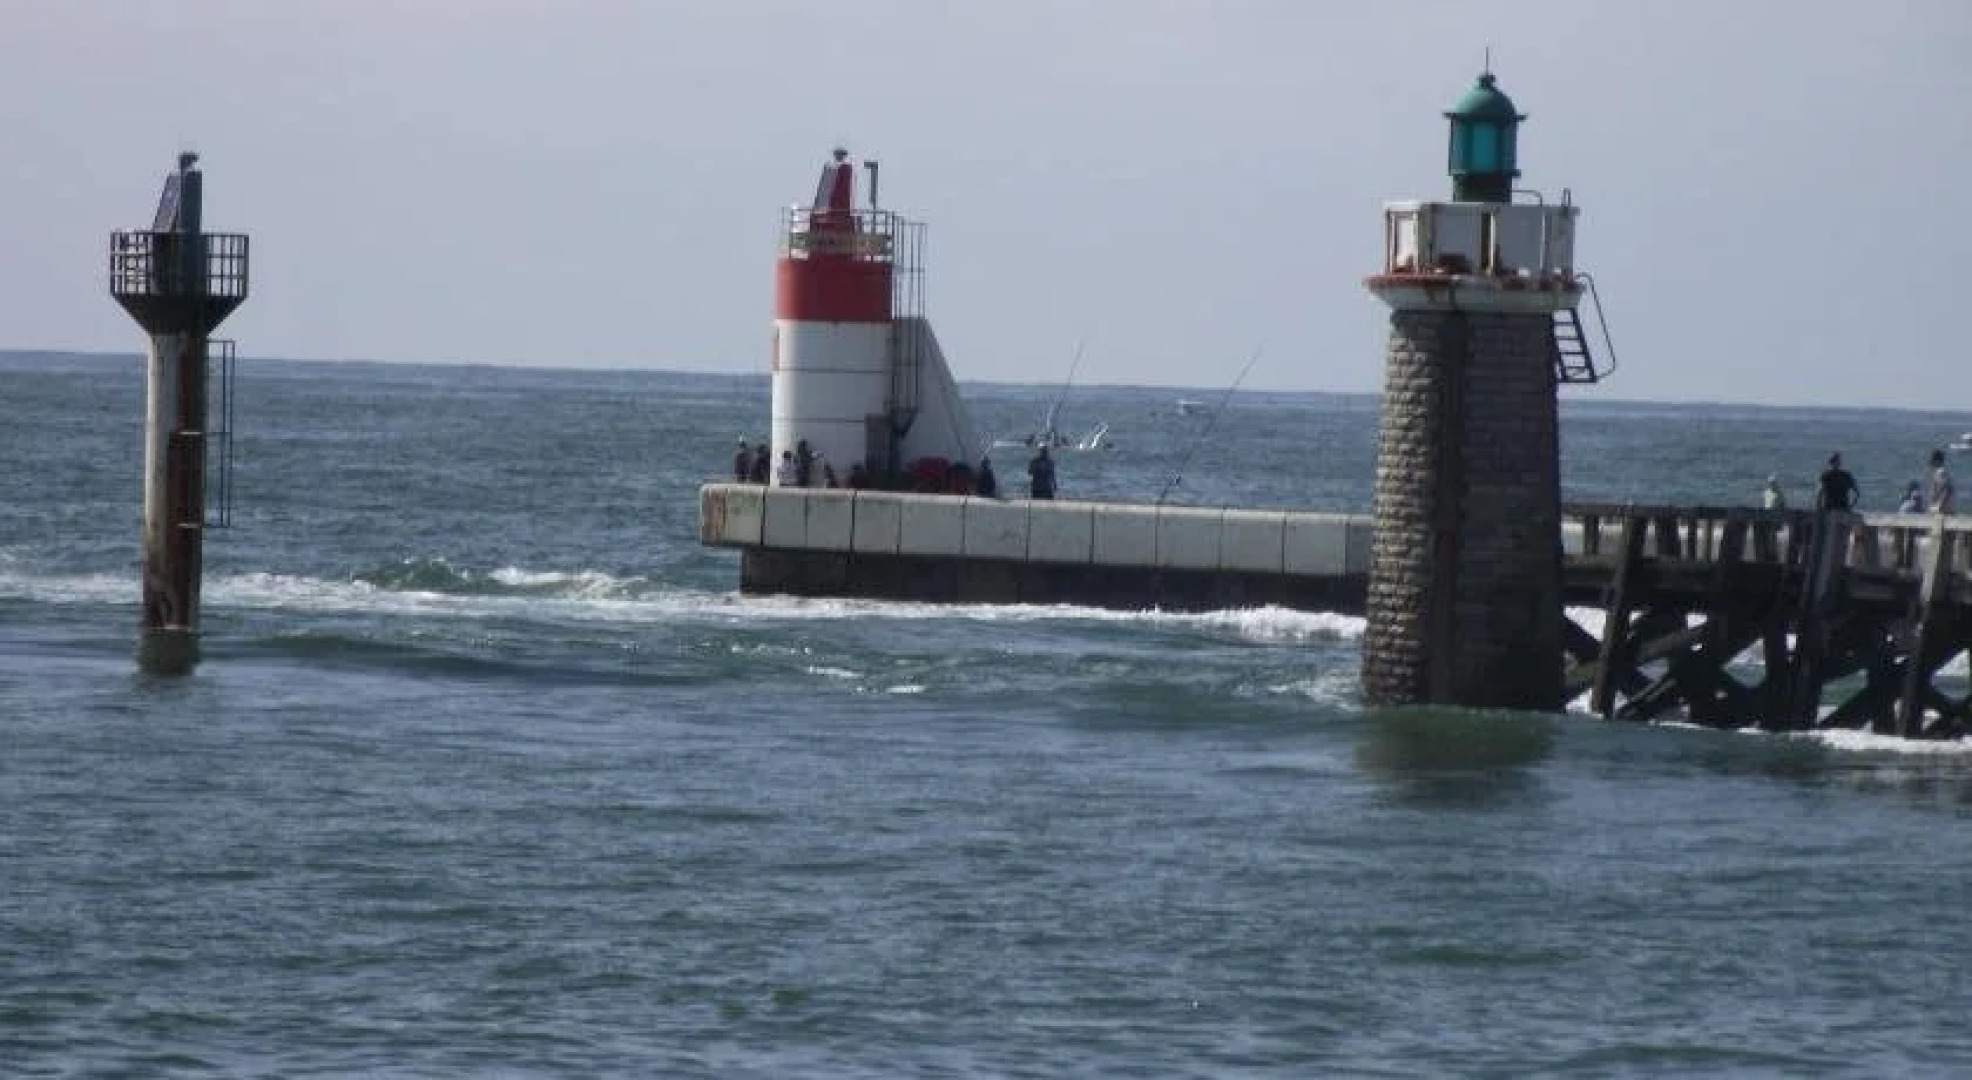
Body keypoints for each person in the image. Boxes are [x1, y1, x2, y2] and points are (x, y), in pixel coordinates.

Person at [1929, 449, 1955, 515]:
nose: (1932, 464)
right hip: (1944, 507)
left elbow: (1948, 489)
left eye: (1933, 461)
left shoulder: (1940, 472)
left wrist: (1939, 505)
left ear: (1937, 461)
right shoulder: (1942, 472)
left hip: (1942, 509)